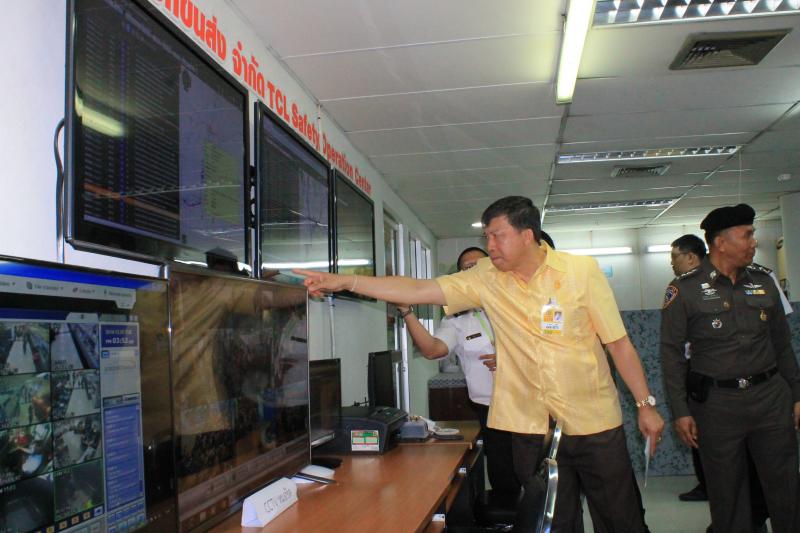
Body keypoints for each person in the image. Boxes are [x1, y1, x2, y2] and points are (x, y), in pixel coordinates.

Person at [295, 196, 664, 532]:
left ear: (527, 235)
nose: (490, 246)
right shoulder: (486, 278)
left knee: (620, 518)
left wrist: (645, 404)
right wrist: (346, 281)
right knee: (553, 522)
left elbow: (618, 344)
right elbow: (418, 289)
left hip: (594, 420)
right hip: (530, 426)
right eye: (487, 236)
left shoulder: (580, 272)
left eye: (497, 236)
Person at [660, 204, 800, 533]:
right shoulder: (684, 289)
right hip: (717, 406)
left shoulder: (764, 282)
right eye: (747, 235)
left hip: (770, 400)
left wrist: (797, 394)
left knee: (786, 489)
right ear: (721, 243)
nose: (754, 241)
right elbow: (671, 355)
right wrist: (680, 411)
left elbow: (783, 345)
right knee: (727, 495)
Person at [396, 246, 521, 501]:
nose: (474, 271)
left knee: (535, 474)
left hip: (527, 404)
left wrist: (511, 360)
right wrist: (407, 312)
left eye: (479, 265)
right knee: (504, 479)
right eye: (467, 268)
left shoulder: (517, 301)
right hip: (490, 410)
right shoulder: (456, 320)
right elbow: (432, 350)